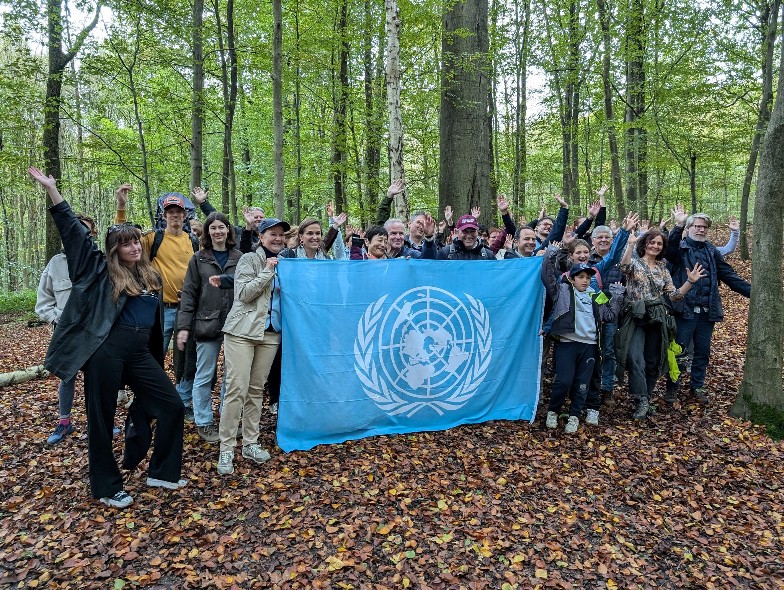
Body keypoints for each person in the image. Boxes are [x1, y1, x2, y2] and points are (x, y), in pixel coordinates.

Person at [29, 166, 185, 508]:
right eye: (125, 243)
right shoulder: (97, 270)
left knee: (171, 406)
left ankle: (162, 471)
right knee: (100, 420)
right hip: (105, 352)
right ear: (114, 248)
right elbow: (73, 232)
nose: (132, 247)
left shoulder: (148, 274)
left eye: (135, 242)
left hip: (140, 352)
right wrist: (53, 191)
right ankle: (105, 486)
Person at [217, 217, 290, 475]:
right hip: (242, 331)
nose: (278, 238)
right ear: (261, 237)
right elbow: (245, 294)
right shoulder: (250, 259)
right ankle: (226, 447)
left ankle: (250, 442)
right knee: (236, 388)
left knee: (256, 390)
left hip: (271, 334)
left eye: (282, 234)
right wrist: (268, 270)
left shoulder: (289, 263)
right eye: (272, 234)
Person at [615, 228, 706, 419]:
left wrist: (689, 282)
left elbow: (674, 296)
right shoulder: (634, 263)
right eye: (652, 242)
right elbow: (623, 268)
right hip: (635, 316)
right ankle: (641, 400)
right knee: (634, 358)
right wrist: (630, 244)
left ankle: (646, 398)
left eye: (659, 244)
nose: (655, 246)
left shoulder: (663, 268)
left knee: (652, 361)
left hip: (657, 318)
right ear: (644, 243)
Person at [664, 206, 751, 403]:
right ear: (690, 227)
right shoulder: (680, 249)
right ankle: (672, 388)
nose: (700, 230)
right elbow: (669, 252)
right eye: (696, 226)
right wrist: (678, 225)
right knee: (678, 352)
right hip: (683, 311)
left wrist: (753, 293)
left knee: (702, 352)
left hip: (706, 311)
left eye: (704, 227)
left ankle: (697, 386)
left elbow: (729, 275)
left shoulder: (712, 251)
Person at [175, 212, 242, 443]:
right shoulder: (198, 259)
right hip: (206, 323)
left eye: (221, 227)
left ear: (228, 230)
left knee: (231, 377)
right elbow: (189, 295)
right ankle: (203, 421)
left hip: (235, 324)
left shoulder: (239, 257)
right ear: (207, 232)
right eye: (213, 228)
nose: (218, 232)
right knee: (204, 374)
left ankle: (228, 418)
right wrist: (184, 327)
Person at [541, 253, 624, 433]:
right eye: (580, 277)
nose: (585, 281)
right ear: (572, 279)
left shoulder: (596, 294)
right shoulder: (563, 290)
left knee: (582, 384)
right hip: (567, 343)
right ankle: (553, 411)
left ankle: (574, 415)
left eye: (588, 277)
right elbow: (547, 279)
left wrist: (617, 297)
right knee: (563, 381)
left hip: (590, 346)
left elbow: (609, 316)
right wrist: (549, 256)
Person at [36, 212, 97, 444]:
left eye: (87, 231)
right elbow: (43, 302)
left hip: (94, 332)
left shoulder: (97, 261)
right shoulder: (55, 264)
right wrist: (57, 320)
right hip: (65, 333)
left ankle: (100, 422)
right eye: (77, 229)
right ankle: (64, 423)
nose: (82, 234)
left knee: (96, 377)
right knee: (67, 376)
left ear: (92, 235)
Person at [421, 214, 495, 260]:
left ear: (477, 232)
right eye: (465, 231)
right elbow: (428, 264)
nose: (469, 235)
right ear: (457, 232)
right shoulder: (446, 253)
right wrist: (429, 238)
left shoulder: (488, 255)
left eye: (472, 231)